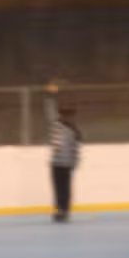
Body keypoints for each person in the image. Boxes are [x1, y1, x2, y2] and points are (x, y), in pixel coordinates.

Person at [44, 82, 83, 223]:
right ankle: (59, 209)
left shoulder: (74, 130)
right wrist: (50, 95)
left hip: (65, 163)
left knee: (64, 188)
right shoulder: (58, 125)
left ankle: (64, 210)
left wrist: (75, 162)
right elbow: (49, 111)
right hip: (56, 162)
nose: (66, 117)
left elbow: (76, 149)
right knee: (58, 187)